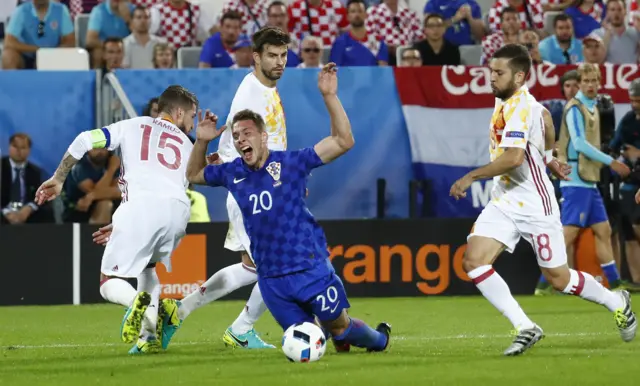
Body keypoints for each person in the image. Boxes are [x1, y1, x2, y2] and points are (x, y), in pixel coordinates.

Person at [186, 63, 391, 353]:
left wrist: (329, 96)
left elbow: (343, 141)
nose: (241, 139)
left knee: (339, 326)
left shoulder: (290, 164)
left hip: (310, 268)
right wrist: (202, 142)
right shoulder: (232, 173)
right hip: (272, 281)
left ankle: (379, 340)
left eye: (247, 133)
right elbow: (193, 175)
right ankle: (326, 336)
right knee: (302, 336)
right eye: (236, 136)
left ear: (264, 136)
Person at [449, 44, 637, 356]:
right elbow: (548, 121)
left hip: (536, 205)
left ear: (519, 76)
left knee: (559, 278)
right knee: (474, 260)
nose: (490, 78)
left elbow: (512, 158)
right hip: (505, 200)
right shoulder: (515, 103)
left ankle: (616, 300)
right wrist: (549, 158)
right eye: (490, 71)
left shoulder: (521, 106)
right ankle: (525, 326)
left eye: (498, 73)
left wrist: (471, 176)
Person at [35, 85, 203, 355]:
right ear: (179, 111)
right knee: (148, 268)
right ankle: (148, 339)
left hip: (140, 208)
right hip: (179, 212)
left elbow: (84, 140)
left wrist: (59, 178)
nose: (192, 124)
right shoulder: (188, 143)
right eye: (192, 116)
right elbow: (179, 183)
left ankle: (141, 305)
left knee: (108, 281)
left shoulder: (133, 125)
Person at [160, 26, 291, 350]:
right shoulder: (253, 93)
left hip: (260, 187)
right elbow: (246, 144)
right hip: (253, 190)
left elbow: (253, 140)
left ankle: (179, 310)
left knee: (253, 267)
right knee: (277, 265)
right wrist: (278, 178)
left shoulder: (264, 88)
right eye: (272, 55)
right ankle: (241, 328)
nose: (279, 62)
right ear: (256, 57)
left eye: (284, 55)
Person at [534, 64, 632, 295]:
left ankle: (616, 285)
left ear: (598, 82)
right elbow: (577, 144)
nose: (590, 85)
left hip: (588, 180)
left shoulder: (592, 107)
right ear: (580, 83)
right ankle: (541, 284)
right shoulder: (575, 108)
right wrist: (611, 162)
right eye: (585, 81)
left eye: (593, 81)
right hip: (575, 181)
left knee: (603, 230)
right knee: (568, 234)